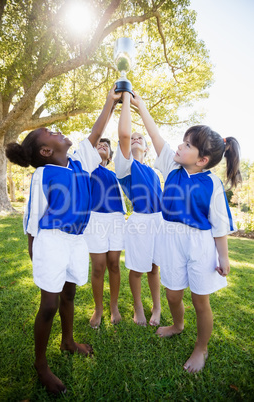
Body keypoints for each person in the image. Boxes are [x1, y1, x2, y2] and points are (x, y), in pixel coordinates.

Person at [5, 87, 122, 395]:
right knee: (49, 304)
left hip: (76, 241)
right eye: (51, 133)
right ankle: (41, 364)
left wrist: (111, 101)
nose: (59, 132)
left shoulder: (80, 163)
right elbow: (33, 221)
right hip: (51, 242)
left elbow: (96, 133)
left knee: (70, 293)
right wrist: (36, 254)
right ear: (45, 152)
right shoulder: (43, 176)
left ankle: (67, 341)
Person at [136, 96, 241, 373]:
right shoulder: (171, 168)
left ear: (202, 160)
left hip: (199, 246)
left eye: (187, 145)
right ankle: (178, 324)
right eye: (182, 142)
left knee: (200, 301)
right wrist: (142, 107)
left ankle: (201, 347)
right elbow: (155, 135)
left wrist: (224, 257)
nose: (180, 146)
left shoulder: (212, 184)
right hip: (170, 241)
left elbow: (218, 228)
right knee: (172, 295)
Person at [114, 91, 163, 327]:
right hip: (140, 221)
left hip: (159, 222)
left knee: (154, 268)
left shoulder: (154, 172)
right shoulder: (125, 166)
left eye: (139, 138)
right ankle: (138, 308)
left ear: (147, 148)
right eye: (132, 138)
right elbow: (124, 134)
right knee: (137, 269)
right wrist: (126, 101)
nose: (135, 139)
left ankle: (157, 306)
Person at [84, 138, 126, 328]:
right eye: (99, 144)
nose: (102, 145)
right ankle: (99, 308)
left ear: (110, 156)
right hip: (95, 219)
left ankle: (114, 306)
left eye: (106, 146)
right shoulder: (88, 169)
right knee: (99, 267)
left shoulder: (115, 175)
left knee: (114, 265)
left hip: (116, 219)